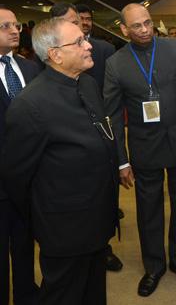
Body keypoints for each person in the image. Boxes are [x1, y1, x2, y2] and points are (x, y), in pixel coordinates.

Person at [0, 17, 119, 304]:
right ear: (55, 54)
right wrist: (47, 213)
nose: (88, 45)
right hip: (65, 230)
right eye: (78, 42)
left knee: (93, 293)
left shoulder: (88, 84)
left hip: (97, 219)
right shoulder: (30, 104)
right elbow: (16, 176)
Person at [104, 3, 176, 297]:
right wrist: (121, 161)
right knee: (148, 210)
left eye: (148, 23)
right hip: (144, 147)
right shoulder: (116, 63)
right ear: (124, 30)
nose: (144, 30)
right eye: (136, 26)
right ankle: (154, 266)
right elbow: (113, 116)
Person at [50, 2, 123, 272]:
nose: (79, 24)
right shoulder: (40, 79)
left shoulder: (103, 50)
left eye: (80, 21)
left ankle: (104, 247)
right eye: (72, 21)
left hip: (99, 140)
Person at [0, 6, 40, 305]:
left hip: (30, 179)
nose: (15, 30)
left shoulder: (29, 68)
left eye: (15, 25)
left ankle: (26, 294)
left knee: (25, 243)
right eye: (5, 26)